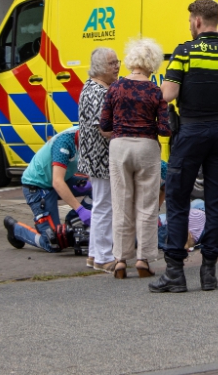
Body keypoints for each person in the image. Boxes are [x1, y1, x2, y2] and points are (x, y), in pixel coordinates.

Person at [150, 0, 218, 294]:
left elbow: (168, 94)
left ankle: (175, 272)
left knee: (178, 198)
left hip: (191, 131)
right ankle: (209, 272)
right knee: (215, 201)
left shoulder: (184, 52)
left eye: (190, 21)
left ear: (197, 21)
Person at [100, 37, 169, 279]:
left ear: (131, 60)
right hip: (147, 147)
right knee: (147, 205)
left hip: (119, 147)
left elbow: (104, 124)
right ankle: (144, 259)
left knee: (121, 203)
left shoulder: (115, 88)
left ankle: (120, 260)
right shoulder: (155, 91)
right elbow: (165, 129)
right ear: (153, 63)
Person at [4, 127, 92, 253]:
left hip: (60, 178)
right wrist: (80, 209)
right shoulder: (65, 142)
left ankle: (72, 222)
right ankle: (16, 230)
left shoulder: (95, 139)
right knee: (54, 242)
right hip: (38, 187)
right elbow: (57, 182)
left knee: (98, 188)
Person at [77, 47, 119, 272]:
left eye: (117, 61)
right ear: (100, 67)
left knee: (100, 205)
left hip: (96, 157)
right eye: (112, 63)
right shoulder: (97, 92)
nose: (117, 66)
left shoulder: (95, 87)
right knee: (105, 206)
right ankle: (103, 257)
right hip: (101, 158)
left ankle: (94, 255)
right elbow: (104, 128)